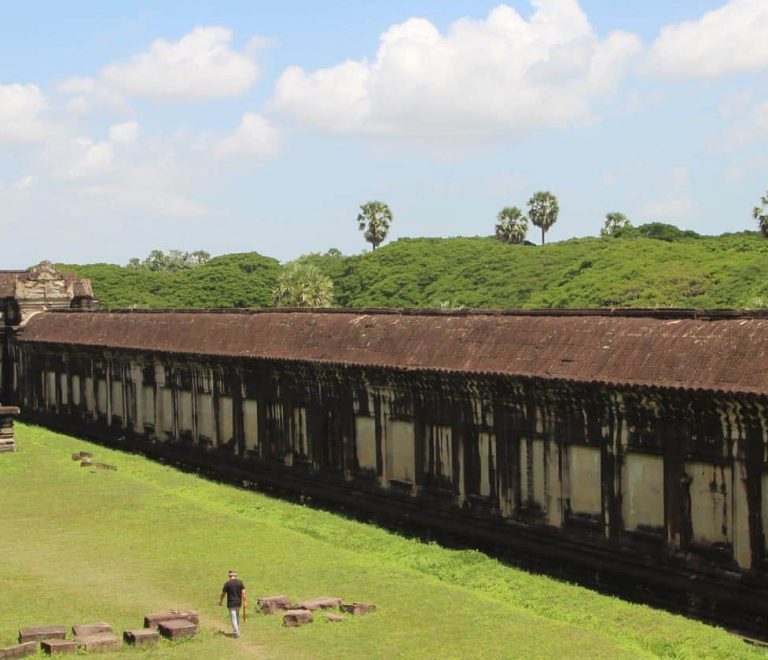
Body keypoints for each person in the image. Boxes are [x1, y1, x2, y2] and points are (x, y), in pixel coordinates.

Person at [218, 569, 247, 638]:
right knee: (237, 617)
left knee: (233, 618)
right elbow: (244, 593)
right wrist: (245, 601)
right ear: (235, 575)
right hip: (238, 602)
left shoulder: (227, 584)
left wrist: (220, 601)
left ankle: (237, 633)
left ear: (229, 575)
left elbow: (223, 594)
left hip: (231, 603)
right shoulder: (240, 582)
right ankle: (237, 630)